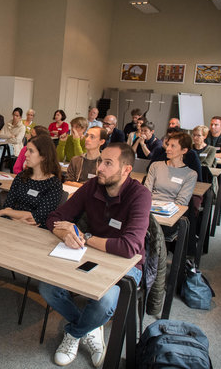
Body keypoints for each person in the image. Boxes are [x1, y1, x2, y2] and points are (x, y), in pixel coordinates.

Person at [39, 143, 151, 367]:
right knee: (47, 287)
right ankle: (91, 327)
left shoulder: (140, 195)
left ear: (126, 169)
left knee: (105, 300)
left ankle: (74, 333)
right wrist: (65, 231)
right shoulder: (92, 186)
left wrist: (85, 237)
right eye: (100, 161)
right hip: (89, 254)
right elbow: (54, 217)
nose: (99, 167)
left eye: (108, 163)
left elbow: (129, 247)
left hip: (127, 265)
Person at [0, 135, 63, 320]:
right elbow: (8, 205)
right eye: (26, 149)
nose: (25, 154)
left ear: (43, 156)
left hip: (36, 234)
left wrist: (9, 214)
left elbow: (37, 217)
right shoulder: (22, 177)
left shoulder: (54, 184)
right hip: (13, 226)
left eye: (30, 151)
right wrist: (13, 216)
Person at [144, 132, 197, 206]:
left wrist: (164, 209)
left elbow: (181, 202)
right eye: (168, 145)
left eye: (173, 146)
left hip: (172, 212)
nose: (168, 148)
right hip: (149, 208)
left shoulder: (191, 175)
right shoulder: (155, 166)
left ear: (184, 150)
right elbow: (146, 192)